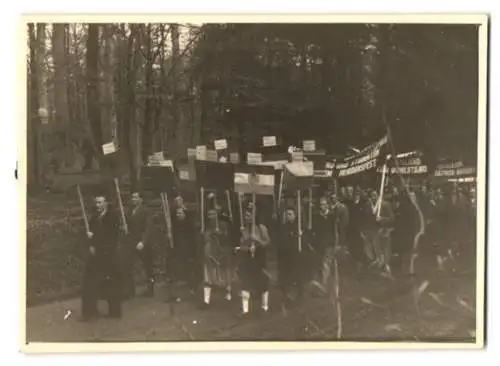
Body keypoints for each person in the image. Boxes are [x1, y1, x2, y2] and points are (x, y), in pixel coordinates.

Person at [80, 191, 122, 321]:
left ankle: (114, 312)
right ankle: (90, 311)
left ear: (106, 203)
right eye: (96, 202)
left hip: (109, 254)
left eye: (100, 202)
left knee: (111, 283)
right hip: (96, 254)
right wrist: (90, 241)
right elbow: (90, 234)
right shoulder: (94, 217)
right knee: (89, 282)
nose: (97, 205)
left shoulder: (113, 217)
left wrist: (94, 236)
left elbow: (110, 236)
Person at [237, 209, 272, 317]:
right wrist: (245, 244)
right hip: (247, 259)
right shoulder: (244, 229)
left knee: (262, 282)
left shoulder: (261, 228)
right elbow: (242, 244)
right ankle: (245, 310)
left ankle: (264, 307)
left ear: (253, 216)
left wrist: (257, 243)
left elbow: (267, 241)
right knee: (245, 282)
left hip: (259, 258)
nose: (246, 217)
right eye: (245, 215)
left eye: (248, 215)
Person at [277, 206, 312, 309]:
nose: (289, 216)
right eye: (287, 214)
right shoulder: (284, 227)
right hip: (288, 255)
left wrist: (301, 235)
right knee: (288, 276)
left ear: (295, 215)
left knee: (299, 276)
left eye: (290, 214)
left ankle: (300, 295)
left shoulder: (299, 226)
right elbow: (282, 241)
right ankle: (288, 297)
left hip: (298, 255)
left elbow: (306, 241)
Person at [124, 191, 155, 298]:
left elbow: (148, 227)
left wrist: (143, 241)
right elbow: (127, 225)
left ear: (141, 199)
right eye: (132, 197)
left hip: (142, 243)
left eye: (136, 197)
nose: (133, 199)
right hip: (131, 242)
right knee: (128, 265)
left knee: (147, 266)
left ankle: (150, 289)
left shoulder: (145, 211)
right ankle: (130, 291)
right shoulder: (129, 211)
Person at [200, 208, 233, 308]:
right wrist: (203, 234)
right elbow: (205, 240)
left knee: (225, 273)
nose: (211, 216)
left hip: (221, 252)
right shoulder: (206, 227)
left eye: (213, 214)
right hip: (210, 253)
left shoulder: (223, 225)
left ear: (217, 215)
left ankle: (228, 291)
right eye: (209, 215)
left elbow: (227, 239)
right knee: (207, 276)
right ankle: (206, 301)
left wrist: (222, 234)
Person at [171, 207, 199, 297]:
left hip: (188, 250)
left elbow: (193, 239)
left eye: (180, 213)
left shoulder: (189, 225)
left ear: (184, 214)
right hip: (178, 250)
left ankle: (193, 289)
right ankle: (178, 293)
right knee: (178, 270)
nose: (178, 215)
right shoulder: (175, 225)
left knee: (190, 270)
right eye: (177, 213)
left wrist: (193, 252)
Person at [311, 197, 336, 289]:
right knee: (319, 263)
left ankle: (324, 283)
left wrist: (335, 242)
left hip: (329, 243)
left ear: (328, 205)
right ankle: (321, 281)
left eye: (324, 204)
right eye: (321, 204)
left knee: (326, 263)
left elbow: (335, 230)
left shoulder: (332, 216)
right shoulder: (316, 216)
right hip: (319, 243)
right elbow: (314, 229)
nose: (323, 206)